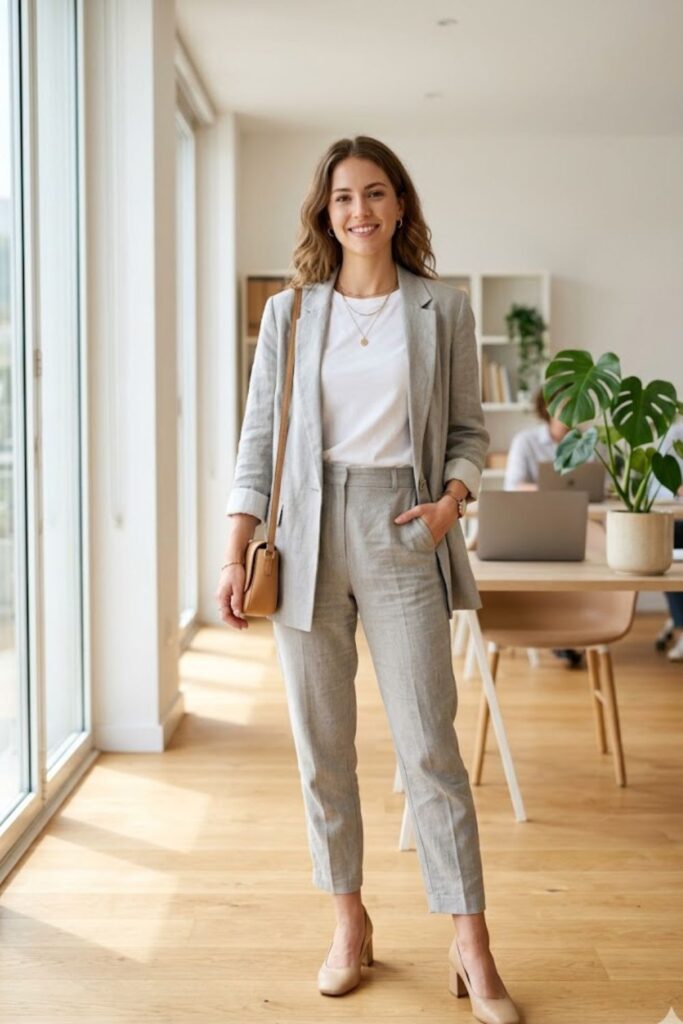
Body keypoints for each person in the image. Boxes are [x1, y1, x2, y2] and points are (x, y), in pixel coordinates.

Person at [215, 136, 520, 1023]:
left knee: (429, 742)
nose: (360, 211)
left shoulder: (443, 309)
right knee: (323, 750)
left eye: (375, 193)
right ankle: (349, 921)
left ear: (398, 205)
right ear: (325, 211)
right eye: (343, 197)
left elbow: (468, 432)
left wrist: (450, 504)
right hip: (303, 532)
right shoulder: (291, 315)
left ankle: (470, 943)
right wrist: (236, 552)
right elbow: (257, 444)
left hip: (402, 526)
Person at [504, 388, 585, 668]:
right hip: (535, 522)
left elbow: (601, 486)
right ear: (547, 407)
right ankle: (559, 632)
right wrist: (551, 489)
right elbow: (513, 486)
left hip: (578, 522)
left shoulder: (590, 444)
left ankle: (574, 630)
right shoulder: (526, 442)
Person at [649, 420, 683, 662]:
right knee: (669, 539)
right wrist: (677, 488)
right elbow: (657, 487)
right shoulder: (677, 435)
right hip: (677, 518)